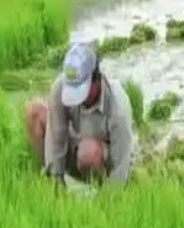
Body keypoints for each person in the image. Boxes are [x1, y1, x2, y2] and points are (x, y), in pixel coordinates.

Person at [24, 42, 134, 185]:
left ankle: (97, 189)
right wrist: (56, 182)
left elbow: (120, 169)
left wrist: (110, 200)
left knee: (88, 151)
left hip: (102, 158)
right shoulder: (60, 87)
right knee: (35, 113)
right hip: (76, 144)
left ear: (96, 80)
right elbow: (56, 136)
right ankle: (48, 180)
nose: (77, 100)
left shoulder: (117, 105)